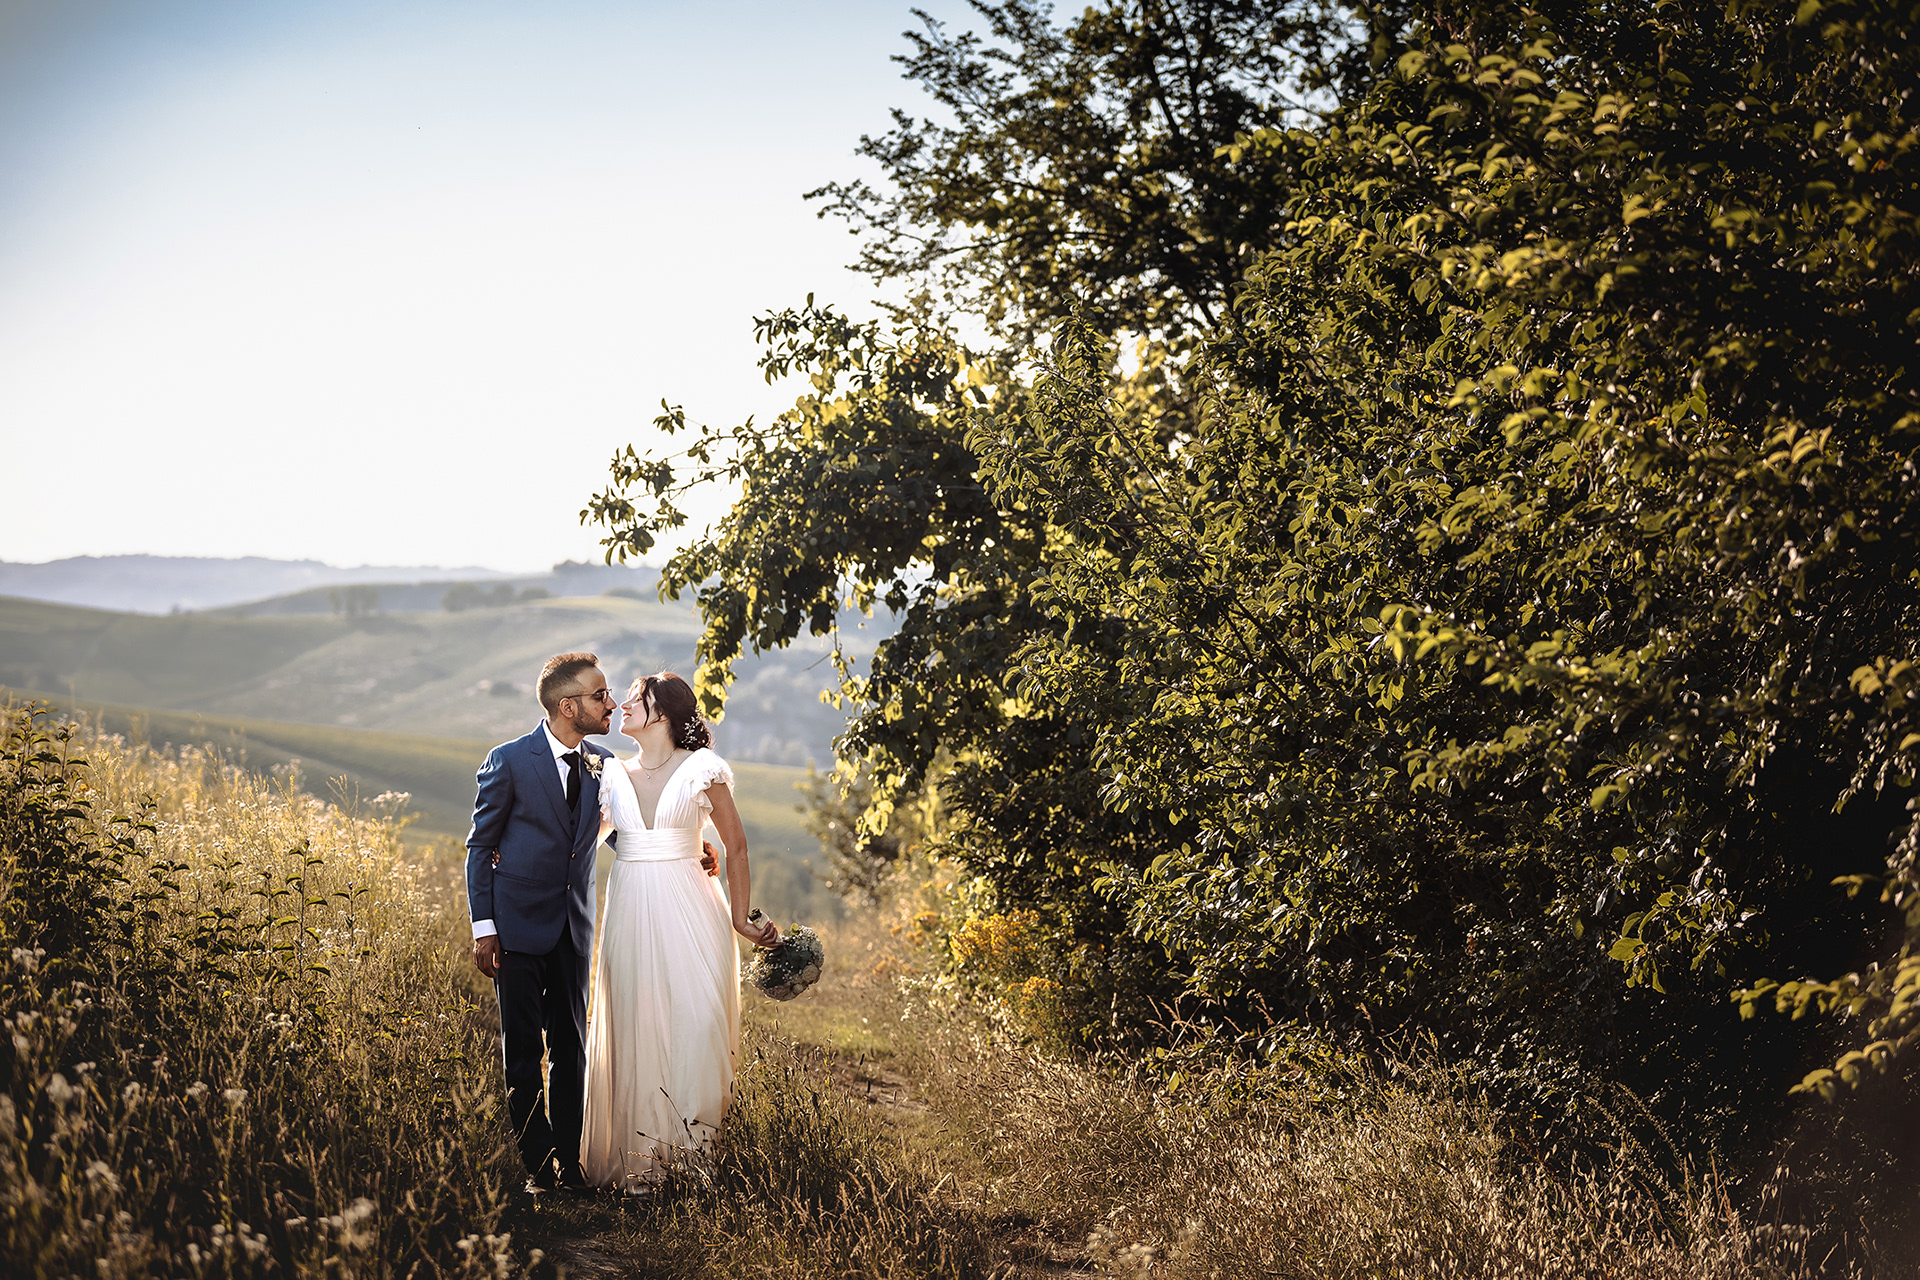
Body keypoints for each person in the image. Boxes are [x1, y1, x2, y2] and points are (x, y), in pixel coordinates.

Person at [580, 671, 778, 1192]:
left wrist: (741, 917)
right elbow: (582, 842)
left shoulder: (702, 769)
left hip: (694, 910)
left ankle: (694, 1164)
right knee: (635, 1023)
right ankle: (641, 1163)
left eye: (635, 699)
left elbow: (735, 846)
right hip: (630, 909)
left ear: (663, 713)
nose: (622, 705)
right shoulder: (611, 774)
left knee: (697, 1022)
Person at [466, 652, 617, 1194]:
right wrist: (484, 927)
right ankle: (538, 1166)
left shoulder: (604, 763)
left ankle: (570, 1164)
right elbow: (480, 847)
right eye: (599, 695)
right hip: (515, 928)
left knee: (572, 1048)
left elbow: (620, 833)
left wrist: (689, 851)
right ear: (567, 706)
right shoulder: (509, 760)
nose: (611, 703)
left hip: (574, 929)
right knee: (524, 1051)